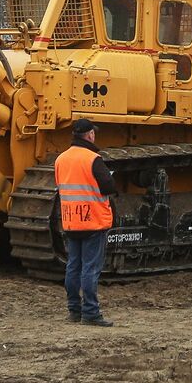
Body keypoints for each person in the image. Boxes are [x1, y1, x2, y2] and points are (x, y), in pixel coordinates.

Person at [55, 119, 117, 326]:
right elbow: (108, 186)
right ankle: (90, 313)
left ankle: (74, 310)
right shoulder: (93, 159)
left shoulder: (61, 159)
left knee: (73, 266)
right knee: (90, 269)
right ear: (90, 135)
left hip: (72, 220)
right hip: (92, 221)